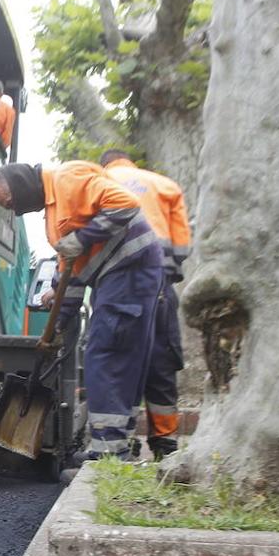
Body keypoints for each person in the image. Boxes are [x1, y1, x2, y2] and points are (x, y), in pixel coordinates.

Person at [0, 161, 163, 468]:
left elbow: (125, 204)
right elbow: (72, 275)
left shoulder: (67, 178)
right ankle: (117, 448)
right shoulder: (53, 218)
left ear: (21, 184)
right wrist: (57, 322)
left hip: (129, 270)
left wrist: (80, 239)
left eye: (12, 202)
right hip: (120, 277)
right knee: (119, 357)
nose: (16, 211)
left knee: (106, 353)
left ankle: (108, 456)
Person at [100, 149, 191, 459]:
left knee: (120, 362)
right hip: (160, 286)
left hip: (119, 286)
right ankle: (165, 444)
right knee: (161, 364)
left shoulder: (98, 181)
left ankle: (121, 441)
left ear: (105, 164)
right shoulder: (164, 185)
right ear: (131, 162)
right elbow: (182, 247)